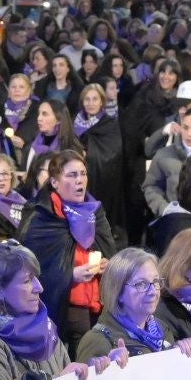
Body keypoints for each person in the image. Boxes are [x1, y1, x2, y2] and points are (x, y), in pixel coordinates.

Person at [0, 241, 101, 380]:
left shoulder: (44, 326)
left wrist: (94, 372)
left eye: (36, 278)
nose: (39, 287)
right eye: (27, 281)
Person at [19, 149, 116, 349]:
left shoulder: (95, 211)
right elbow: (29, 269)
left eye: (83, 174)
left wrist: (108, 265)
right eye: (72, 175)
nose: (79, 180)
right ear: (54, 182)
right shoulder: (41, 215)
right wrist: (70, 275)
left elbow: (109, 251)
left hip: (99, 307)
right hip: (65, 311)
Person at [76, 247, 191, 363]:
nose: (153, 291)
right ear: (117, 292)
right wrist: (109, 368)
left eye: (155, 281)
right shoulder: (98, 340)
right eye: (141, 284)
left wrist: (180, 351)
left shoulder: (161, 329)